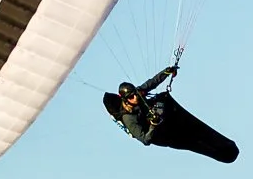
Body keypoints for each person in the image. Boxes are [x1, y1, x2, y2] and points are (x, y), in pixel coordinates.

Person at [101, 62, 238, 163]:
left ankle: (225, 146)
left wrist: (166, 72)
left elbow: (152, 83)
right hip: (159, 135)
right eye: (131, 97)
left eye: (135, 94)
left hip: (164, 120)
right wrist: (153, 125)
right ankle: (223, 154)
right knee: (193, 142)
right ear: (125, 100)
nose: (135, 98)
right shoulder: (128, 118)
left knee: (162, 98)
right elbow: (145, 140)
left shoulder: (138, 94)